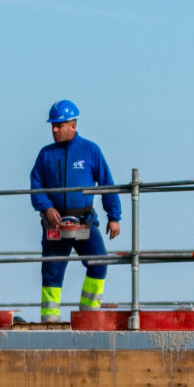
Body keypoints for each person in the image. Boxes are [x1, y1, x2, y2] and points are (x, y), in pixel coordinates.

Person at [30, 98, 121, 322]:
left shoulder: (91, 151)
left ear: (73, 125)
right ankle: (50, 321)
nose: (54, 130)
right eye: (53, 125)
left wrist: (114, 217)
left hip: (84, 222)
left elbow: (107, 184)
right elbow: (36, 186)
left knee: (99, 263)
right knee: (52, 272)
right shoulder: (45, 155)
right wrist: (47, 207)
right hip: (55, 224)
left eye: (59, 125)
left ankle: (88, 315)